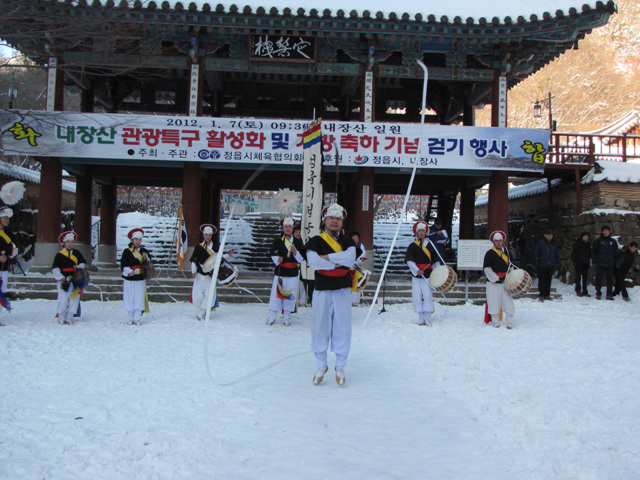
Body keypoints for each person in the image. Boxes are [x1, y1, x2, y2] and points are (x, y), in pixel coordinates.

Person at [305, 203, 359, 385]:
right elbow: (313, 262)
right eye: (331, 218)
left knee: (342, 325)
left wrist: (326, 258)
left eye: (338, 218)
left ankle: (341, 365)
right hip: (322, 288)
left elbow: (350, 259)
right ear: (325, 220)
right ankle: (321, 364)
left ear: (342, 221)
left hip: (343, 288)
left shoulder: (348, 241)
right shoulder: (316, 240)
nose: (335, 221)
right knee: (319, 324)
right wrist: (337, 262)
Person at [190, 224, 234, 321]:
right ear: (203, 235)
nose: (207, 236)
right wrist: (193, 271)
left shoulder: (215, 247)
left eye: (209, 235)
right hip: (199, 274)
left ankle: (201, 313)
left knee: (210, 295)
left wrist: (228, 255)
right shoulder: (198, 247)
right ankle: (202, 310)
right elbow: (194, 260)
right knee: (197, 296)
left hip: (210, 275)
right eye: (206, 234)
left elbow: (220, 257)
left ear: (211, 235)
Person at [267, 217, 304, 326]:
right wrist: (277, 259)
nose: (288, 229)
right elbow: (272, 253)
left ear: (293, 229)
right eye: (286, 227)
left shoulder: (298, 241)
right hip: (280, 272)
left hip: (292, 272)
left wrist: (295, 251)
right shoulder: (278, 241)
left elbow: (302, 259)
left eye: (290, 227)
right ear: (283, 229)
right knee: (276, 295)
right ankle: (272, 317)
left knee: (290, 295)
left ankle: (287, 317)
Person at [405, 221, 440, 326]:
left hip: (428, 273)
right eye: (419, 230)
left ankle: (428, 318)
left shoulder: (431, 245)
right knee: (417, 295)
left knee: (427, 295)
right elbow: (409, 260)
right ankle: (420, 318)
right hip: (417, 274)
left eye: (423, 230)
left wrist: (438, 273)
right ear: (416, 232)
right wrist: (416, 270)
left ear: (426, 232)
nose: (421, 233)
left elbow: (435, 261)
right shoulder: (412, 246)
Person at [51, 231, 87, 325]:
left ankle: (69, 317)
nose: (70, 244)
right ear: (64, 243)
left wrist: (79, 267)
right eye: (68, 242)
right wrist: (61, 277)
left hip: (75, 279)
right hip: (64, 279)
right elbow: (55, 268)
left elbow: (83, 263)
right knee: (63, 299)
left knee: (74, 299)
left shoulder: (77, 253)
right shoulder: (59, 255)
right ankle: (61, 317)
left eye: (71, 242)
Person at [483, 230, 515, 329]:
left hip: (505, 282)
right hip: (494, 283)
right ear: (493, 241)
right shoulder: (489, 253)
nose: (499, 242)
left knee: (508, 301)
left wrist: (510, 277)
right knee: (494, 301)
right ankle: (496, 321)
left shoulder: (508, 252)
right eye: (496, 241)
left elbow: (511, 266)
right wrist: (495, 278)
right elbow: (487, 268)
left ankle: (509, 321)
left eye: (500, 240)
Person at [120, 228, 152, 325]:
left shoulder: (144, 251)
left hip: (140, 278)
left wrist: (146, 259)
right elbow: (123, 264)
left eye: (139, 239)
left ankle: (137, 318)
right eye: (136, 239)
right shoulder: (127, 251)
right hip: (130, 277)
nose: (138, 241)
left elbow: (149, 263)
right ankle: (130, 317)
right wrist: (130, 271)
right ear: (132, 240)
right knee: (129, 297)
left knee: (139, 297)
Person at [0, 205, 18, 322]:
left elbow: (14, 249)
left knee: (1, 291)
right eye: (5, 217)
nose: (8, 220)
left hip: (3, 268)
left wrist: (10, 254)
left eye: (8, 218)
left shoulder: (8, 234)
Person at [592, 225, 619, 300]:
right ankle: (598, 293)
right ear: (602, 232)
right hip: (600, 262)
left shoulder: (613, 241)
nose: (605, 232)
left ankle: (609, 294)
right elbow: (594, 250)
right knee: (599, 278)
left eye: (607, 230)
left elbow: (616, 251)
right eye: (604, 230)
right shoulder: (598, 241)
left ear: (609, 231)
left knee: (610, 279)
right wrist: (599, 257)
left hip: (610, 263)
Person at [534, 228, 560, 301]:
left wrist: (557, 261)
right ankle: (542, 294)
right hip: (542, 264)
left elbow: (556, 253)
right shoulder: (541, 243)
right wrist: (537, 260)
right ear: (545, 235)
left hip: (551, 264)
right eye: (548, 235)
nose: (550, 236)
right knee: (542, 280)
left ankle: (547, 294)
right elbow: (537, 252)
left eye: (551, 235)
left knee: (549, 280)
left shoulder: (554, 243)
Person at [572, 231, 592, 297]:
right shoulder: (578, 244)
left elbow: (590, 254)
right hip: (579, 262)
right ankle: (578, 289)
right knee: (578, 277)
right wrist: (574, 261)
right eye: (585, 236)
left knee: (585, 278)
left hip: (585, 262)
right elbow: (574, 253)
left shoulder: (588, 244)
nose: (586, 238)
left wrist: (589, 261)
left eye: (587, 237)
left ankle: (585, 290)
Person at [350, 231, 367, 306]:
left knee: (356, 282)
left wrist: (357, 262)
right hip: (349, 266)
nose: (355, 239)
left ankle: (356, 300)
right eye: (354, 237)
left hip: (356, 266)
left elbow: (362, 256)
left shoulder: (361, 245)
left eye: (356, 237)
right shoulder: (348, 245)